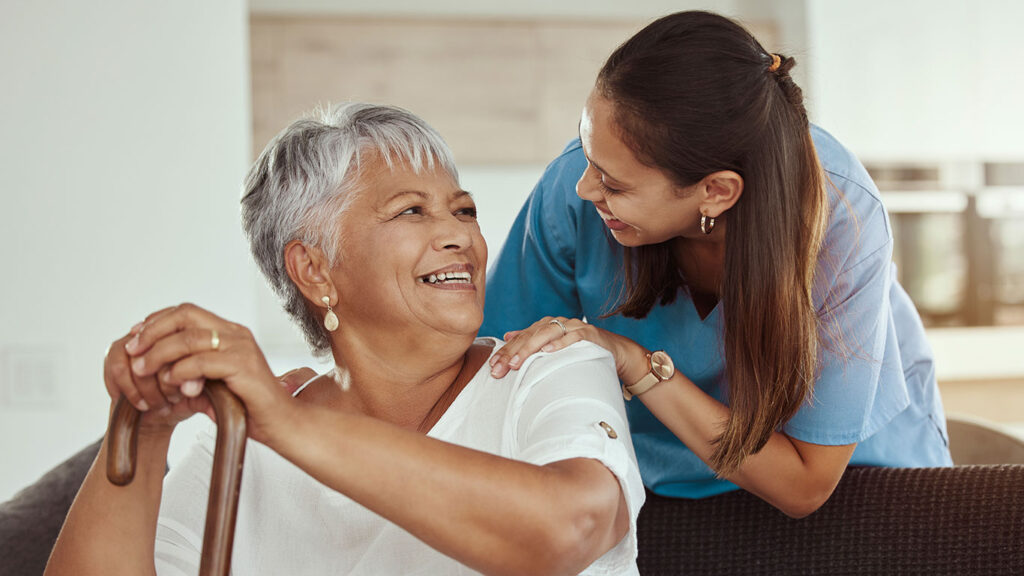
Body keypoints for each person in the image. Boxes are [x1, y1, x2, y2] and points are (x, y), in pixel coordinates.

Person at [45, 103, 644, 575]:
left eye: (463, 210)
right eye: (412, 212)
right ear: (315, 270)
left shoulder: (552, 365)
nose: (460, 236)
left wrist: (287, 423)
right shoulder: (240, 445)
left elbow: (571, 531)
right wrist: (145, 429)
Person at [482, 10, 952, 519]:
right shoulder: (573, 191)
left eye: (614, 184)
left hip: (852, 480)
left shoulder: (842, 215)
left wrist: (633, 362)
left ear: (715, 192)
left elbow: (803, 485)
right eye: (588, 155)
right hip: (653, 483)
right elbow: (501, 381)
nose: (583, 187)